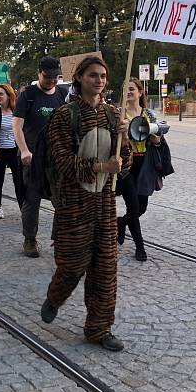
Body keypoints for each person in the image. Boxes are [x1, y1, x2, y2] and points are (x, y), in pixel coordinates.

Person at [39, 57, 131, 352]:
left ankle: (99, 328)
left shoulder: (112, 115)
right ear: (79, 78)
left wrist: (125, 140)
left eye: (103, 76)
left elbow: (124, 163)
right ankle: (55, 297)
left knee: (105, 269)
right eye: (93, 75)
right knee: (72, 266)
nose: (99, 80)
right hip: (74, 205)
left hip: (104, 205)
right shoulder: (65, 116)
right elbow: (63, 160)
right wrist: (103, 167)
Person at [12, 57, 67, 257]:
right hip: (32, 157)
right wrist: (24, 150)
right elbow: (16, 125)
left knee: (61, 199)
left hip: (56, 158)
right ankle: (30, 239)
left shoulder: (62, 93)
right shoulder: (28, 94)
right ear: (39, 73)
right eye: (47, 76)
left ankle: (60, 238)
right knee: (32, 199)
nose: (51, 80)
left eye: (55, 77)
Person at [117, 78, 163, 261]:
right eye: (125, 89)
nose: (129, 92)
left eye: (132, 89)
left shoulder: (149, 114)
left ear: (140, 92)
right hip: (127, 164)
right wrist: (122, 134)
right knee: (133, 206)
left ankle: (121, 222)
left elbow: (159, 138)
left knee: (141, 207)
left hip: (145, 163)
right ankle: (140, 247)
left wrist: (156, 139)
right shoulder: (119, 114)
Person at [0, 83, 22, 218]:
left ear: (8, 95)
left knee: (18, 180)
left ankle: (22, 206)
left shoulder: (16, 111)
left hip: (14, 150)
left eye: (1, 94)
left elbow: (20, 130)